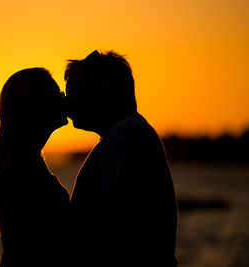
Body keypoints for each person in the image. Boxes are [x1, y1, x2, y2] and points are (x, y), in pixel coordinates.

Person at [65, 50, 178, 267]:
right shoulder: (124, 134)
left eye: (74, 88)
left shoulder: (127, 134)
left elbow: (105, 220)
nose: (68, 101)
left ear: (102, 84)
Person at [0, 68, 69, 267]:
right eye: (57, 94)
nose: (65, 99)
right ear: (38, 106)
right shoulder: (22, 170)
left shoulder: (24, 161)